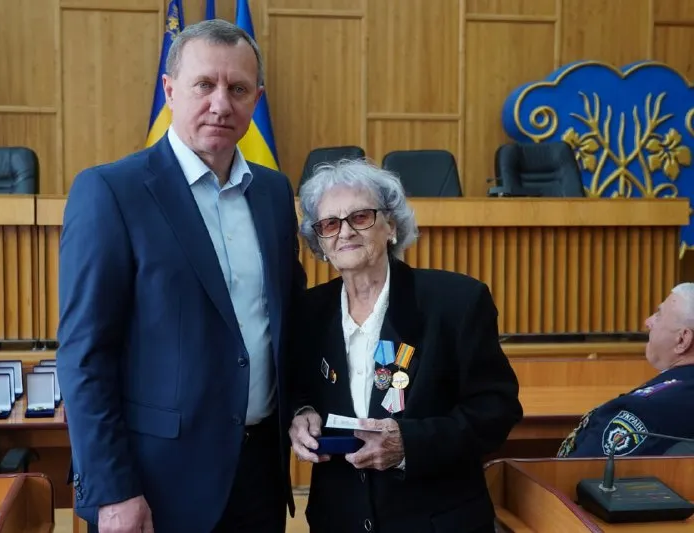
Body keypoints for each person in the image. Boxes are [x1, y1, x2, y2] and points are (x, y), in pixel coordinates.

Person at [56, 19, 305, 533]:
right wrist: (113, 490)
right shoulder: (111, 192)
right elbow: (84, 356)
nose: (221, 104)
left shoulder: (275, 193)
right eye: (204, 85)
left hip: (259, 474)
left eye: (238, 89)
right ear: (170, 91)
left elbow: (286, 321)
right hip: (157, 485)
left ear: (256, 99)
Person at [288, 159, 524, 533]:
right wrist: (299, 412)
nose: (345, 232)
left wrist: (409, 445)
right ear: (320, 243)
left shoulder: (456, 302)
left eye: (360, 217)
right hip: (339, 519)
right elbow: (295, 386)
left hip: (435, 522)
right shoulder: (308, 312)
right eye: (330, 224)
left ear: (392, 226)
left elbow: (496, 410)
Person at [558, 284, 694, 458]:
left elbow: (581, 469)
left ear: (682, 340)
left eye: (659, 315)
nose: (648, 321)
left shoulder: (643, 410)